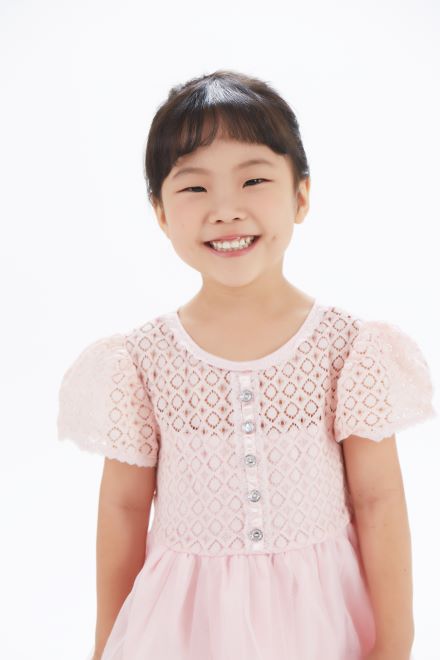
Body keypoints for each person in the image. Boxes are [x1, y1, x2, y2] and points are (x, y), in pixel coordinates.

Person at [57, 69, 436, 660]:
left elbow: (378, 500)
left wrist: (395, 640)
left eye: (253, 179)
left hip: (318, 620)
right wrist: (107, 643)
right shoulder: (141, 362)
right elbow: (125, 508)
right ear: (161, 213)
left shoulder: (348, 349)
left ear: (301, 195)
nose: (226, 210)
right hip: (183, 627)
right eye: (194, 187)